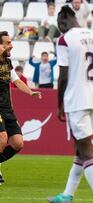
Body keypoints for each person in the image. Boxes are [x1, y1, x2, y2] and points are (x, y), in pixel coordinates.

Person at [48, 6, 93, 203]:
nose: (60, 28)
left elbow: (63, 76)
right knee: (79, 149)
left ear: (65, 19)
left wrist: (59, 105)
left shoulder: (65, 39)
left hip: (76, 100)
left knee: (86, 150)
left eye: (60, 24)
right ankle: (67, 194)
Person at [0, 31, 41, 184]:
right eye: (8, 43)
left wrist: (31, 92)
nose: (11, 45)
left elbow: (16, 82)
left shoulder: (8, 63)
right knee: (2, 139)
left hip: (6, 108)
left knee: (18, 143)